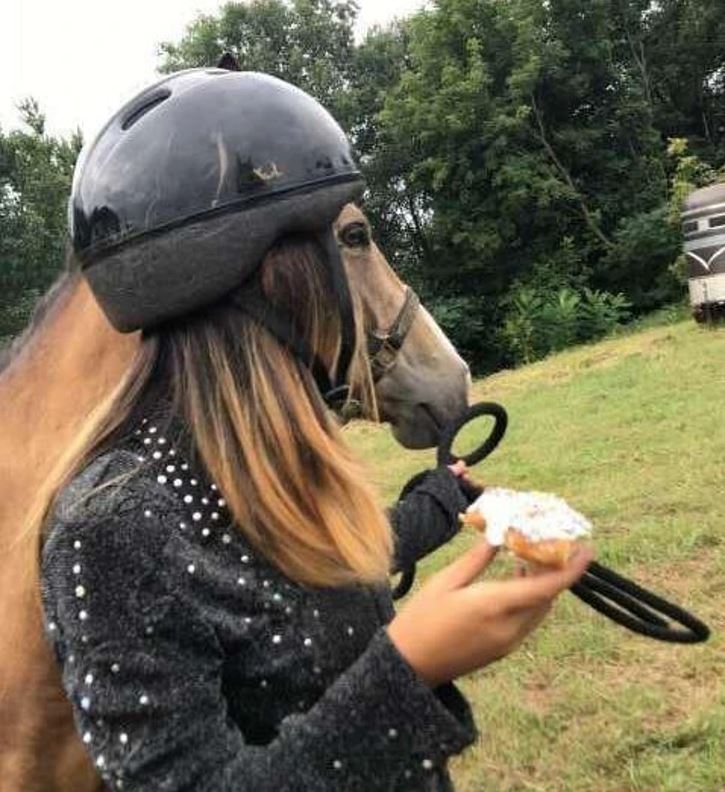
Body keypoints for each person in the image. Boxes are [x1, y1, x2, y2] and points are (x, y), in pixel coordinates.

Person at [36, 69, 592, 791]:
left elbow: (287, 574)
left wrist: (436, 505)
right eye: (347, 244)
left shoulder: (250, 459)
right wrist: (411, 664)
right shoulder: (111, 531)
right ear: (274, 272)